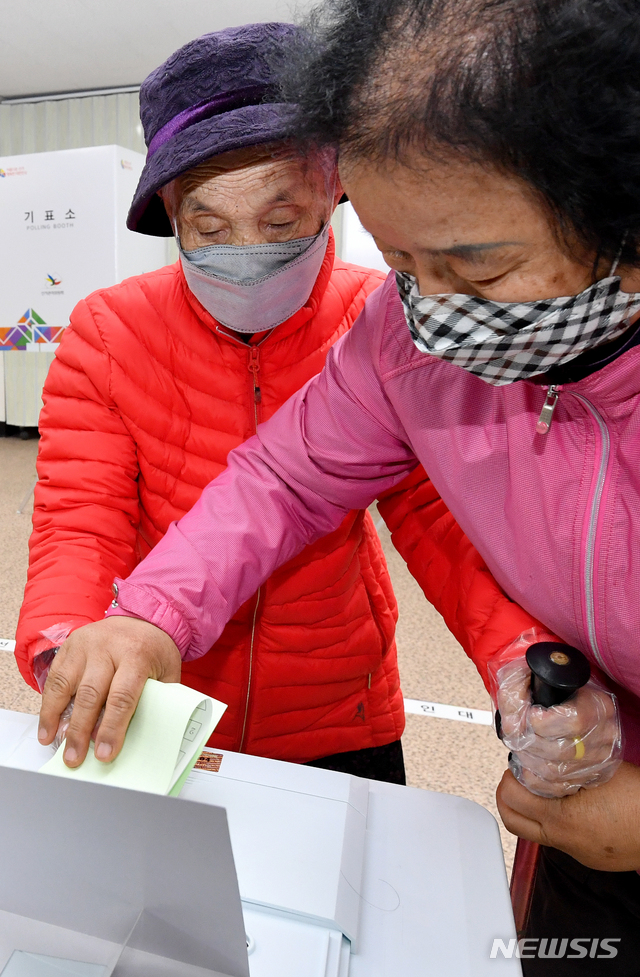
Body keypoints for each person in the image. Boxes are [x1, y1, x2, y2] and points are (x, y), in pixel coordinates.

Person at [33, 0, 640, 968]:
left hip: (379, 724)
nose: (431, 313)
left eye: (472, 270)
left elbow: (440, 524)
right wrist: (141, 616)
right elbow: (275, 480)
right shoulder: (394, 339)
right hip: (584, 805)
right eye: (402, 265)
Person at [18, 23, 534, 786]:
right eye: (209, 226)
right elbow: (80, 519)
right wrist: (75, 650)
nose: (247, 252)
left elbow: (441, 520)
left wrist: (518, 654)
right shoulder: (109, 330)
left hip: (337, 702)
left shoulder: (383, 321)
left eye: (282, 222)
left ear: (334, 189)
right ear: (169, 207)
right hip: (170, 698)